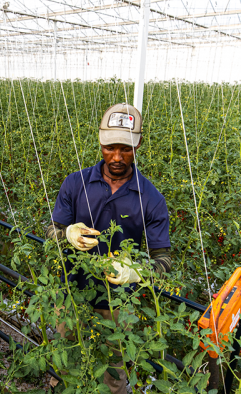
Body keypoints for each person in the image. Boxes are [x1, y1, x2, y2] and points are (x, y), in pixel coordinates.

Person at [44, 103, 172, 394]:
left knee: (113, 371)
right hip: (71, 292)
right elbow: (50, 230)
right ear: (100, 143)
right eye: (109, 148)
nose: (116, 157)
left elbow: (163, 259)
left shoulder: (151, 199)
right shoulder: (75, 184)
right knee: (65, 359)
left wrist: (136, 271)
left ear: (138, 144)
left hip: (117, 304)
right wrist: (66, 234)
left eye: (125, 149)